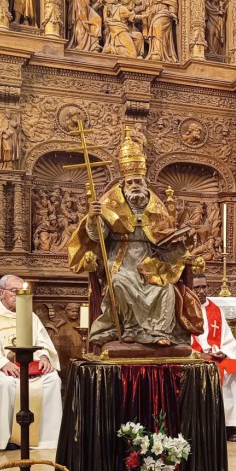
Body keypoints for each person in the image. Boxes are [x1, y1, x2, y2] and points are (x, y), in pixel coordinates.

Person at [68, 128, 204, 347]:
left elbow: (165, 238)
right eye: (130, 182)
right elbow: (97, 237)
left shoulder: (156, 205)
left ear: (145, 182)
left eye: (138, 182)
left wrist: (180, 248)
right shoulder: (109, 203)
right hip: (121, 259)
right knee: (119, 284)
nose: (134, 186)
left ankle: (160, 332)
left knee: (165, 290)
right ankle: (129, 329)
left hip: (150, 261)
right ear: (123, 183)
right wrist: (93, 218)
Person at [0, 275, 63, 450]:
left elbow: (42, 341)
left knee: (52, 380)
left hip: (29, 366)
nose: (19, 295)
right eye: (14, 291)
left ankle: (45, 438)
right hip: (2, 368)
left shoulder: (30, 316)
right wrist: (2, 363)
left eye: (23, 291)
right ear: (1, 292)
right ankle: (7, 439)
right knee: (6, 383)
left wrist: (44, 358)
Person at [190, 274, 236, 441]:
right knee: (210, 371)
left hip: (215, 355)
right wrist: (199, 354)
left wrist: (223, 352)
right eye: (197, 288)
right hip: (196, 357)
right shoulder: (184, 309)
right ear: (190, 289)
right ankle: (206, 428)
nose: (201, 291)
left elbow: (228, 339)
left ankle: (231, 426)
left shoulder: (215, 310)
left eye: (204, 287)